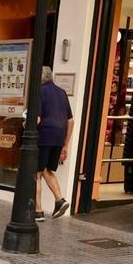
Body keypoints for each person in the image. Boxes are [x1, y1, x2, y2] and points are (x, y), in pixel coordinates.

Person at [36, 66, 74, 221]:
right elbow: (70, 121)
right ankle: (60, 200)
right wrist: (65, 144)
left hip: (44, 135)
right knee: (46, 169)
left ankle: (37, 211)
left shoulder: (39, 91)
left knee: (35, 173)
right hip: (59, 137)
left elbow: (37, 118)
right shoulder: (61, 92)